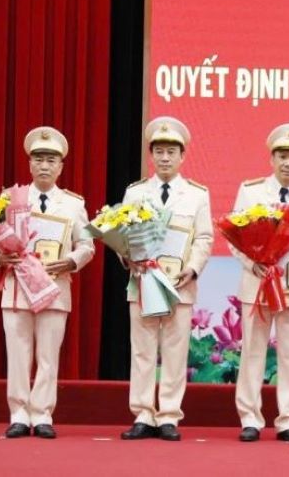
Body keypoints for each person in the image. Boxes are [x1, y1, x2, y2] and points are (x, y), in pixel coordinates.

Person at [0, 126, 95, 439]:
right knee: (18, 353)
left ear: (61, 166)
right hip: (17, 287)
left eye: (51, 160)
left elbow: (87, 245)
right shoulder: (10, 198)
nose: (44, 165)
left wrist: (71, 260)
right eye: (39, 159)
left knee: (48, 355)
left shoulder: (73, 204)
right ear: (29, 164)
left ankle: (43, 414)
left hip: (54, 288)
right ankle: (18, 413)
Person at [119, 116, 213, 442]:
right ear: (151, 155)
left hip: (180, 284)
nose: (165, 157)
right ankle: (143, 414)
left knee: (175, 351)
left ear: (182, 156)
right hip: (142, 281)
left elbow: (204, 238)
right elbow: (123, 235)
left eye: (171, 151)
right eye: (159, 151)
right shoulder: (135, 193)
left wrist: (194, 268)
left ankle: (169, 415)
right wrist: (125, 256)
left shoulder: (197, 195)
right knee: (142, 351)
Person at [232, 124, 289, 443]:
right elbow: (234, 239)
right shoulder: (251, 191)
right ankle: (250, 418)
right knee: (253, 352)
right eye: (283, 156)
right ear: (272, 158)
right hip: (257, 284)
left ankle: (287, 419)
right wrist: (251, 261)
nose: (288, 163)